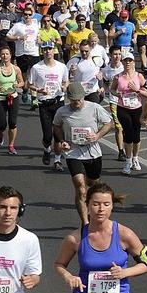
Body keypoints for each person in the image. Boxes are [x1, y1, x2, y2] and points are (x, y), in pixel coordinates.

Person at [56, 82, 116, 222]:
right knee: (81, 188)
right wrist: (62, 140)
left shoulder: (94, 108)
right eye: (74, 100)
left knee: (94, 185)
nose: (77, 102)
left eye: (79, 99)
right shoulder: (62, 111)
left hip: (92, 152)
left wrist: (97, 136)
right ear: (69, 98)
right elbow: (56, 126)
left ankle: (95, 205)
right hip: (73, 153)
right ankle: (85, 222)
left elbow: (109, 123)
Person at [27, 41, 68, 166]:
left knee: (58, 134)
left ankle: (57, 160)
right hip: (44, 103)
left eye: (50, 49)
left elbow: (66, 82)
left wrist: (64, 87)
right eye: (45, 49)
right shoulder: (37, 67)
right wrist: (38, 90)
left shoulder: (62, 66)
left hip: (58, 102)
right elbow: (29, 84)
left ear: (53, 50)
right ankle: (46, 149)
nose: (48, 51)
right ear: (42, 51)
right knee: (47, 136)